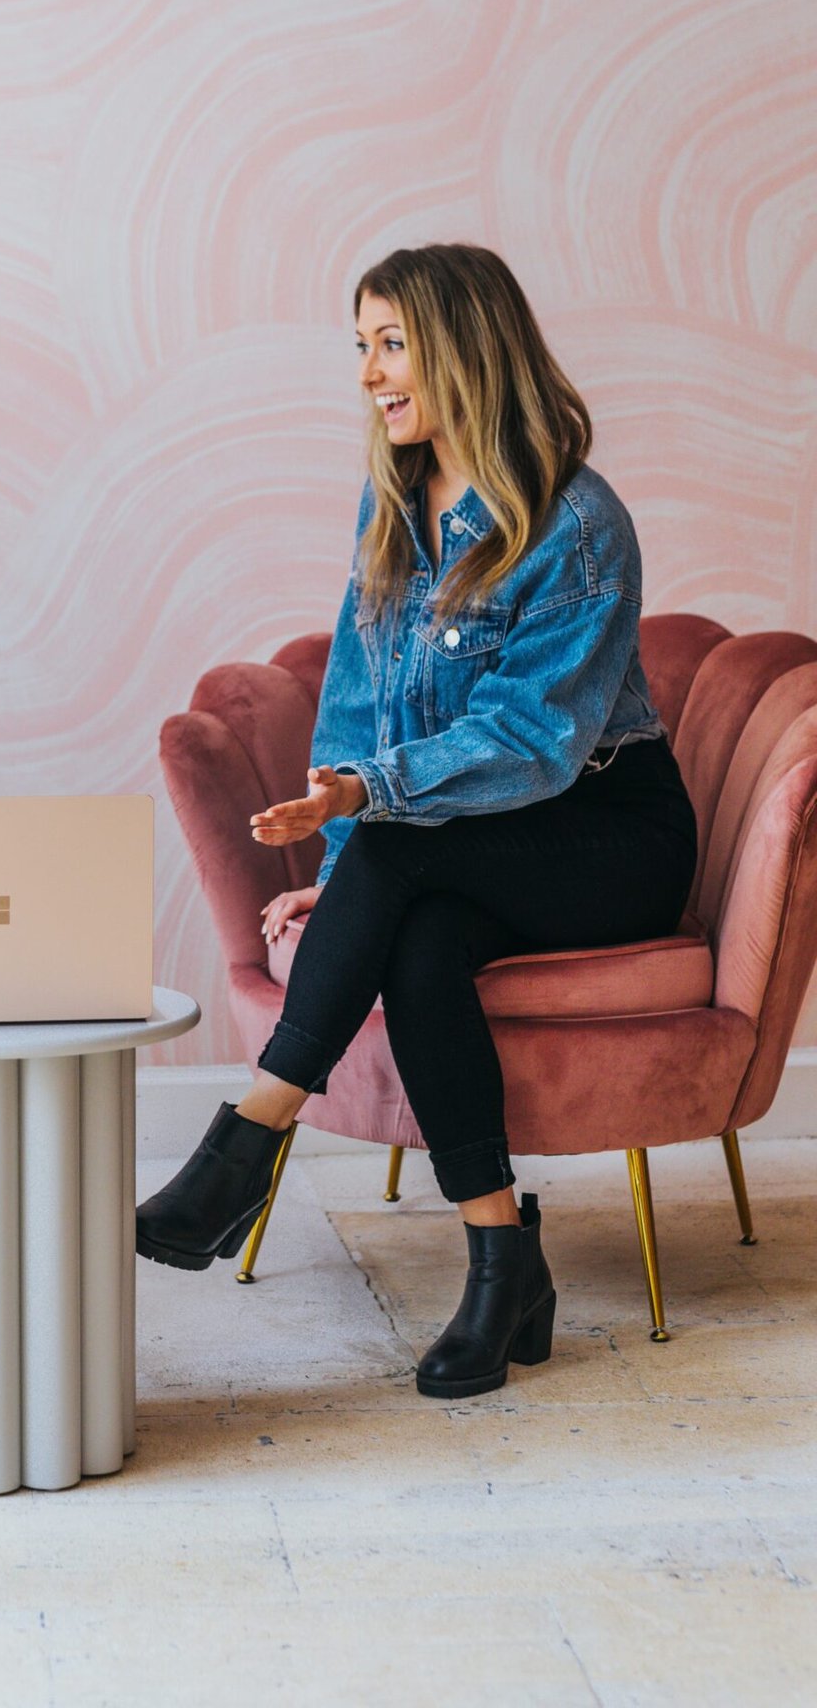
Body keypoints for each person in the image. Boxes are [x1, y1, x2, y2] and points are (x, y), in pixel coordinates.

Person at [136, 244, 698, 1397]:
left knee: (396, 849)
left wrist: (365, 817)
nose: (368, 374)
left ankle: (246, 1142)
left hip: (606, 836)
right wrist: (347, 861)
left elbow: (531, 743)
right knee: (421, 942)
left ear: (463, 349)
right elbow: (353, 705)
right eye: (361, 346)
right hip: (459, 840)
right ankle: (503, 1270)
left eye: (389, 343)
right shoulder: (393, 500)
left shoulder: (574, 521)